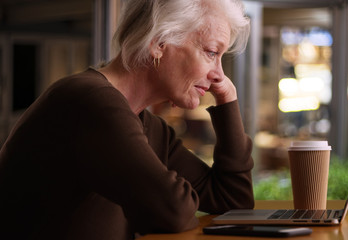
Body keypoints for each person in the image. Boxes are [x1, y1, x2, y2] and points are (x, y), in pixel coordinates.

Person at [0, 0, 253, 239]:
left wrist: (228, 99)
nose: (219, 75)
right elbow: (173, 212)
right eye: (211, 52)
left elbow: (233, 200)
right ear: (159, 43)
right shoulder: (90, 103)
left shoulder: (150, 126)